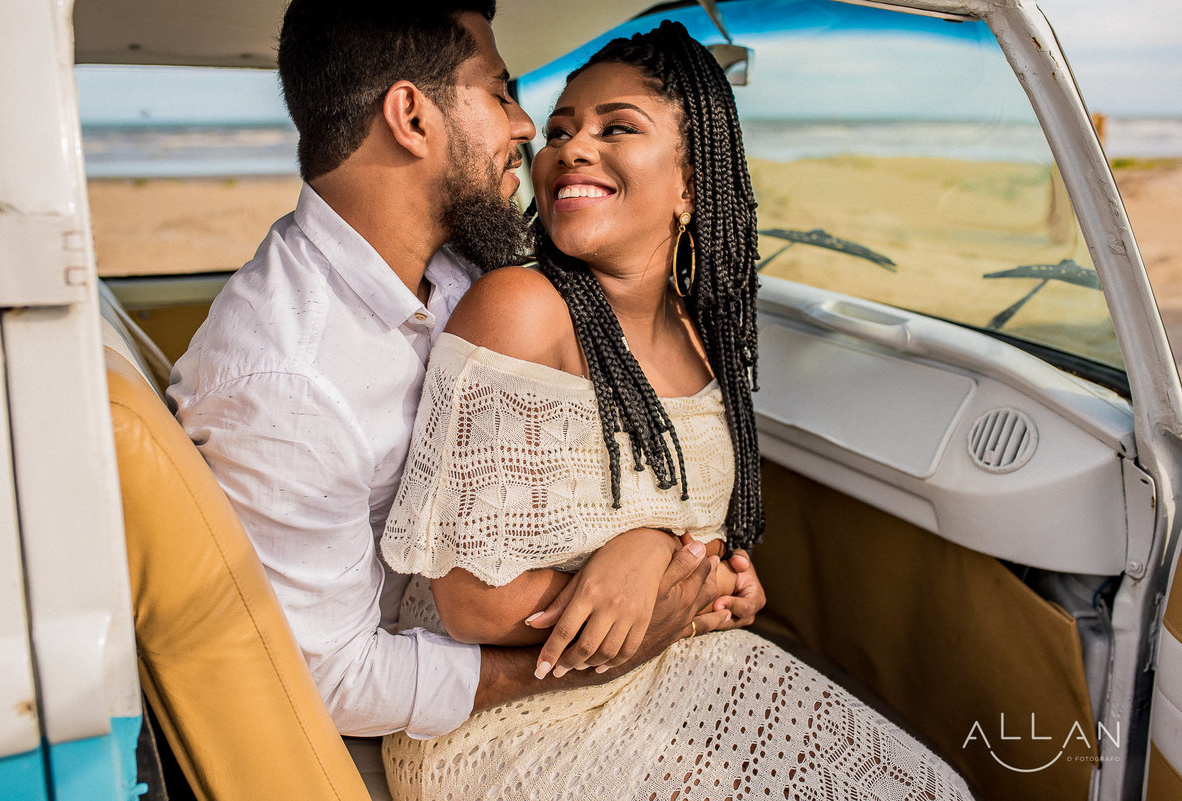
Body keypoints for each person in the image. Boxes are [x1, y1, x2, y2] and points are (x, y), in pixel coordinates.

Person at [378, 21, 978, 801]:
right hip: (517, 721)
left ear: (691, 183)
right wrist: (660, 562)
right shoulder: (521, 309)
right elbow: (472, 602)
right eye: (559, 130)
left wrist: (712, 575)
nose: (569, 147)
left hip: (664, 662)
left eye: (615, 127)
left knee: (927, 787)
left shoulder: (702, 335)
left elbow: (689, 532)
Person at [168, 1, 744, 794]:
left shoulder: (466, 264)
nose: (528, 127)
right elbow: (337, 676)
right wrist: (634, 633)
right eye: (503, 93)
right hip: (503, 720)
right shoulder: (288, 380)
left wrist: (671, 555)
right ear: (411, 115)